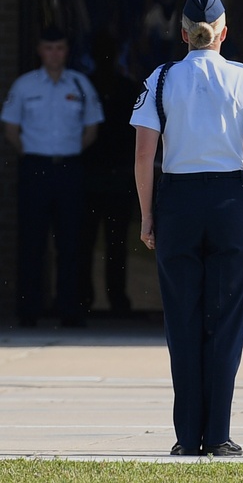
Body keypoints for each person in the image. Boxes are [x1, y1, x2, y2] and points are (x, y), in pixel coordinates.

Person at [130, 0, 243, 457]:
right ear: (223, 33)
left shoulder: (161, 78)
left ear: (182, 34)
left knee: (183, 319)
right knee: (227, 320)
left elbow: (143, 155)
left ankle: (185, 435)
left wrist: (148, 213)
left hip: (178, 199)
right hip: (231, 199)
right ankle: (218, 434)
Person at [2, 26, 104, 328]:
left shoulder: (81, 84)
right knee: (32, 240)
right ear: (39, 50)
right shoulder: (24, 86)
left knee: (71, 241)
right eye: (49, 48)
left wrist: (66, 153)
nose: (54, 54)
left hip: (69, 169)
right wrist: (33, 153)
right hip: (35, 168)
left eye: (59, 48)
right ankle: (29, 310)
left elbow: (91, 129)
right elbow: (10, 129)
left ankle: (70, 309)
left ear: (66, 51)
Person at [79, 38, 142, 315]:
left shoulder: (87, 85)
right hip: (108, 175)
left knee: (90, 241)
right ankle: (114, 298)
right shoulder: (122, 88)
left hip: (98, 175)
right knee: (112, 242)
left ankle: (87, 298)